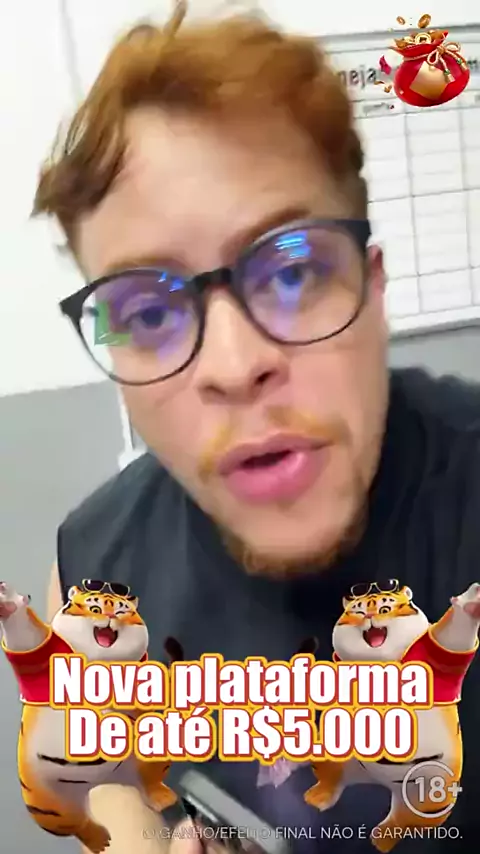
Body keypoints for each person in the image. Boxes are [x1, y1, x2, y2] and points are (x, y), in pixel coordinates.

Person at [30, 1, 480, 851]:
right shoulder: (94, 572)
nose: (235, 366)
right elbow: (106, 784)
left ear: (373, 288)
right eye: (146, 311)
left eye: (295, 270)